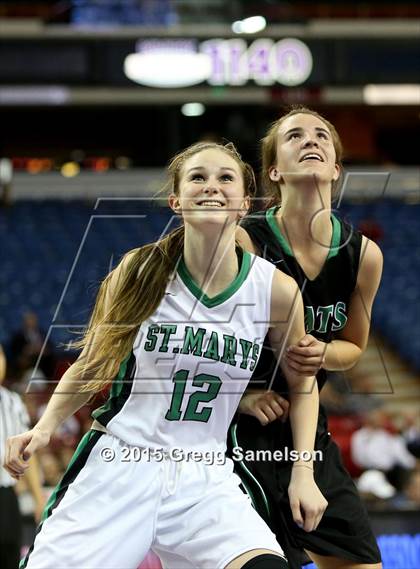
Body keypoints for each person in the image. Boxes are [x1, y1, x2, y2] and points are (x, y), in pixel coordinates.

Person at [4, 142, 327, 569]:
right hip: (122, 464)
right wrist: (45, 427)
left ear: (244, 203)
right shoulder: (140, 270)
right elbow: (93, 364)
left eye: (225, 178)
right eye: (198, 177)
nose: (211, 186)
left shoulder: (276, 291)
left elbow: (303, 384)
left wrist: (303, 472)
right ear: (176, 200)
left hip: (204, 476)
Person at [229, 107, 383, 569]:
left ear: (336, 166)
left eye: (321, 135)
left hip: (309, 437)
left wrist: (322, 352)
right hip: (235, 437)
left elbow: (352, 348)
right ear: (274, 170)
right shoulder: (245, 241)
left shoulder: (363, 256)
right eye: (294, 135)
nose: (310, 140)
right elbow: (195, 343)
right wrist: (242, 395)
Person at [0, 345, 45, 569]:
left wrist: (39, 498)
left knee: (10, 553)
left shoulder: (12, 402)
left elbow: (28, 454)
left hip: (6, 496)